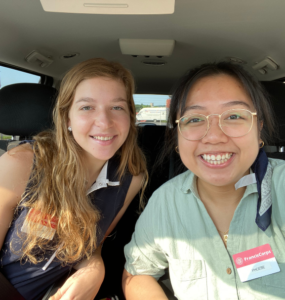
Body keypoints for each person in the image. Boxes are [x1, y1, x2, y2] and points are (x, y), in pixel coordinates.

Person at [122, 62, 285, 300]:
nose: (214, 137)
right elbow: (138, 274)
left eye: (234, 116)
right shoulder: (165, 202)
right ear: (177, 137)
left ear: (258, 128)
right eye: (194, 119)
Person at [0, 58, 148, 300]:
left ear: (131, 117)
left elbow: (94, 244)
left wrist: (94, 266)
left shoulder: (131, 179)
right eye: (87, 107)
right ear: (67, 118)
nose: (104, 121)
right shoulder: (21, 164)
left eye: (117, 107)